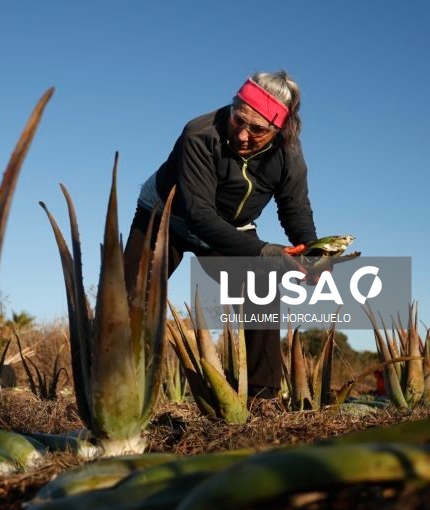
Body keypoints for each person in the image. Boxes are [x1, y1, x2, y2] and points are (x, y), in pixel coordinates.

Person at [123, 71, 318, 399]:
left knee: (262, 289)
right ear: (233, 107)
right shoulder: (199, 134)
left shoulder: (289, 156)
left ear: (279, 129)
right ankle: (116, 386)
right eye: (238, 120)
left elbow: (295, 209)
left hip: (229, 228)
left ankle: (261, 398)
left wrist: (312, 251)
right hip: (166, 215)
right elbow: (199, 215)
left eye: (257, 129)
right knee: (129, 297)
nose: (242, 136)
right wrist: (264, 251)